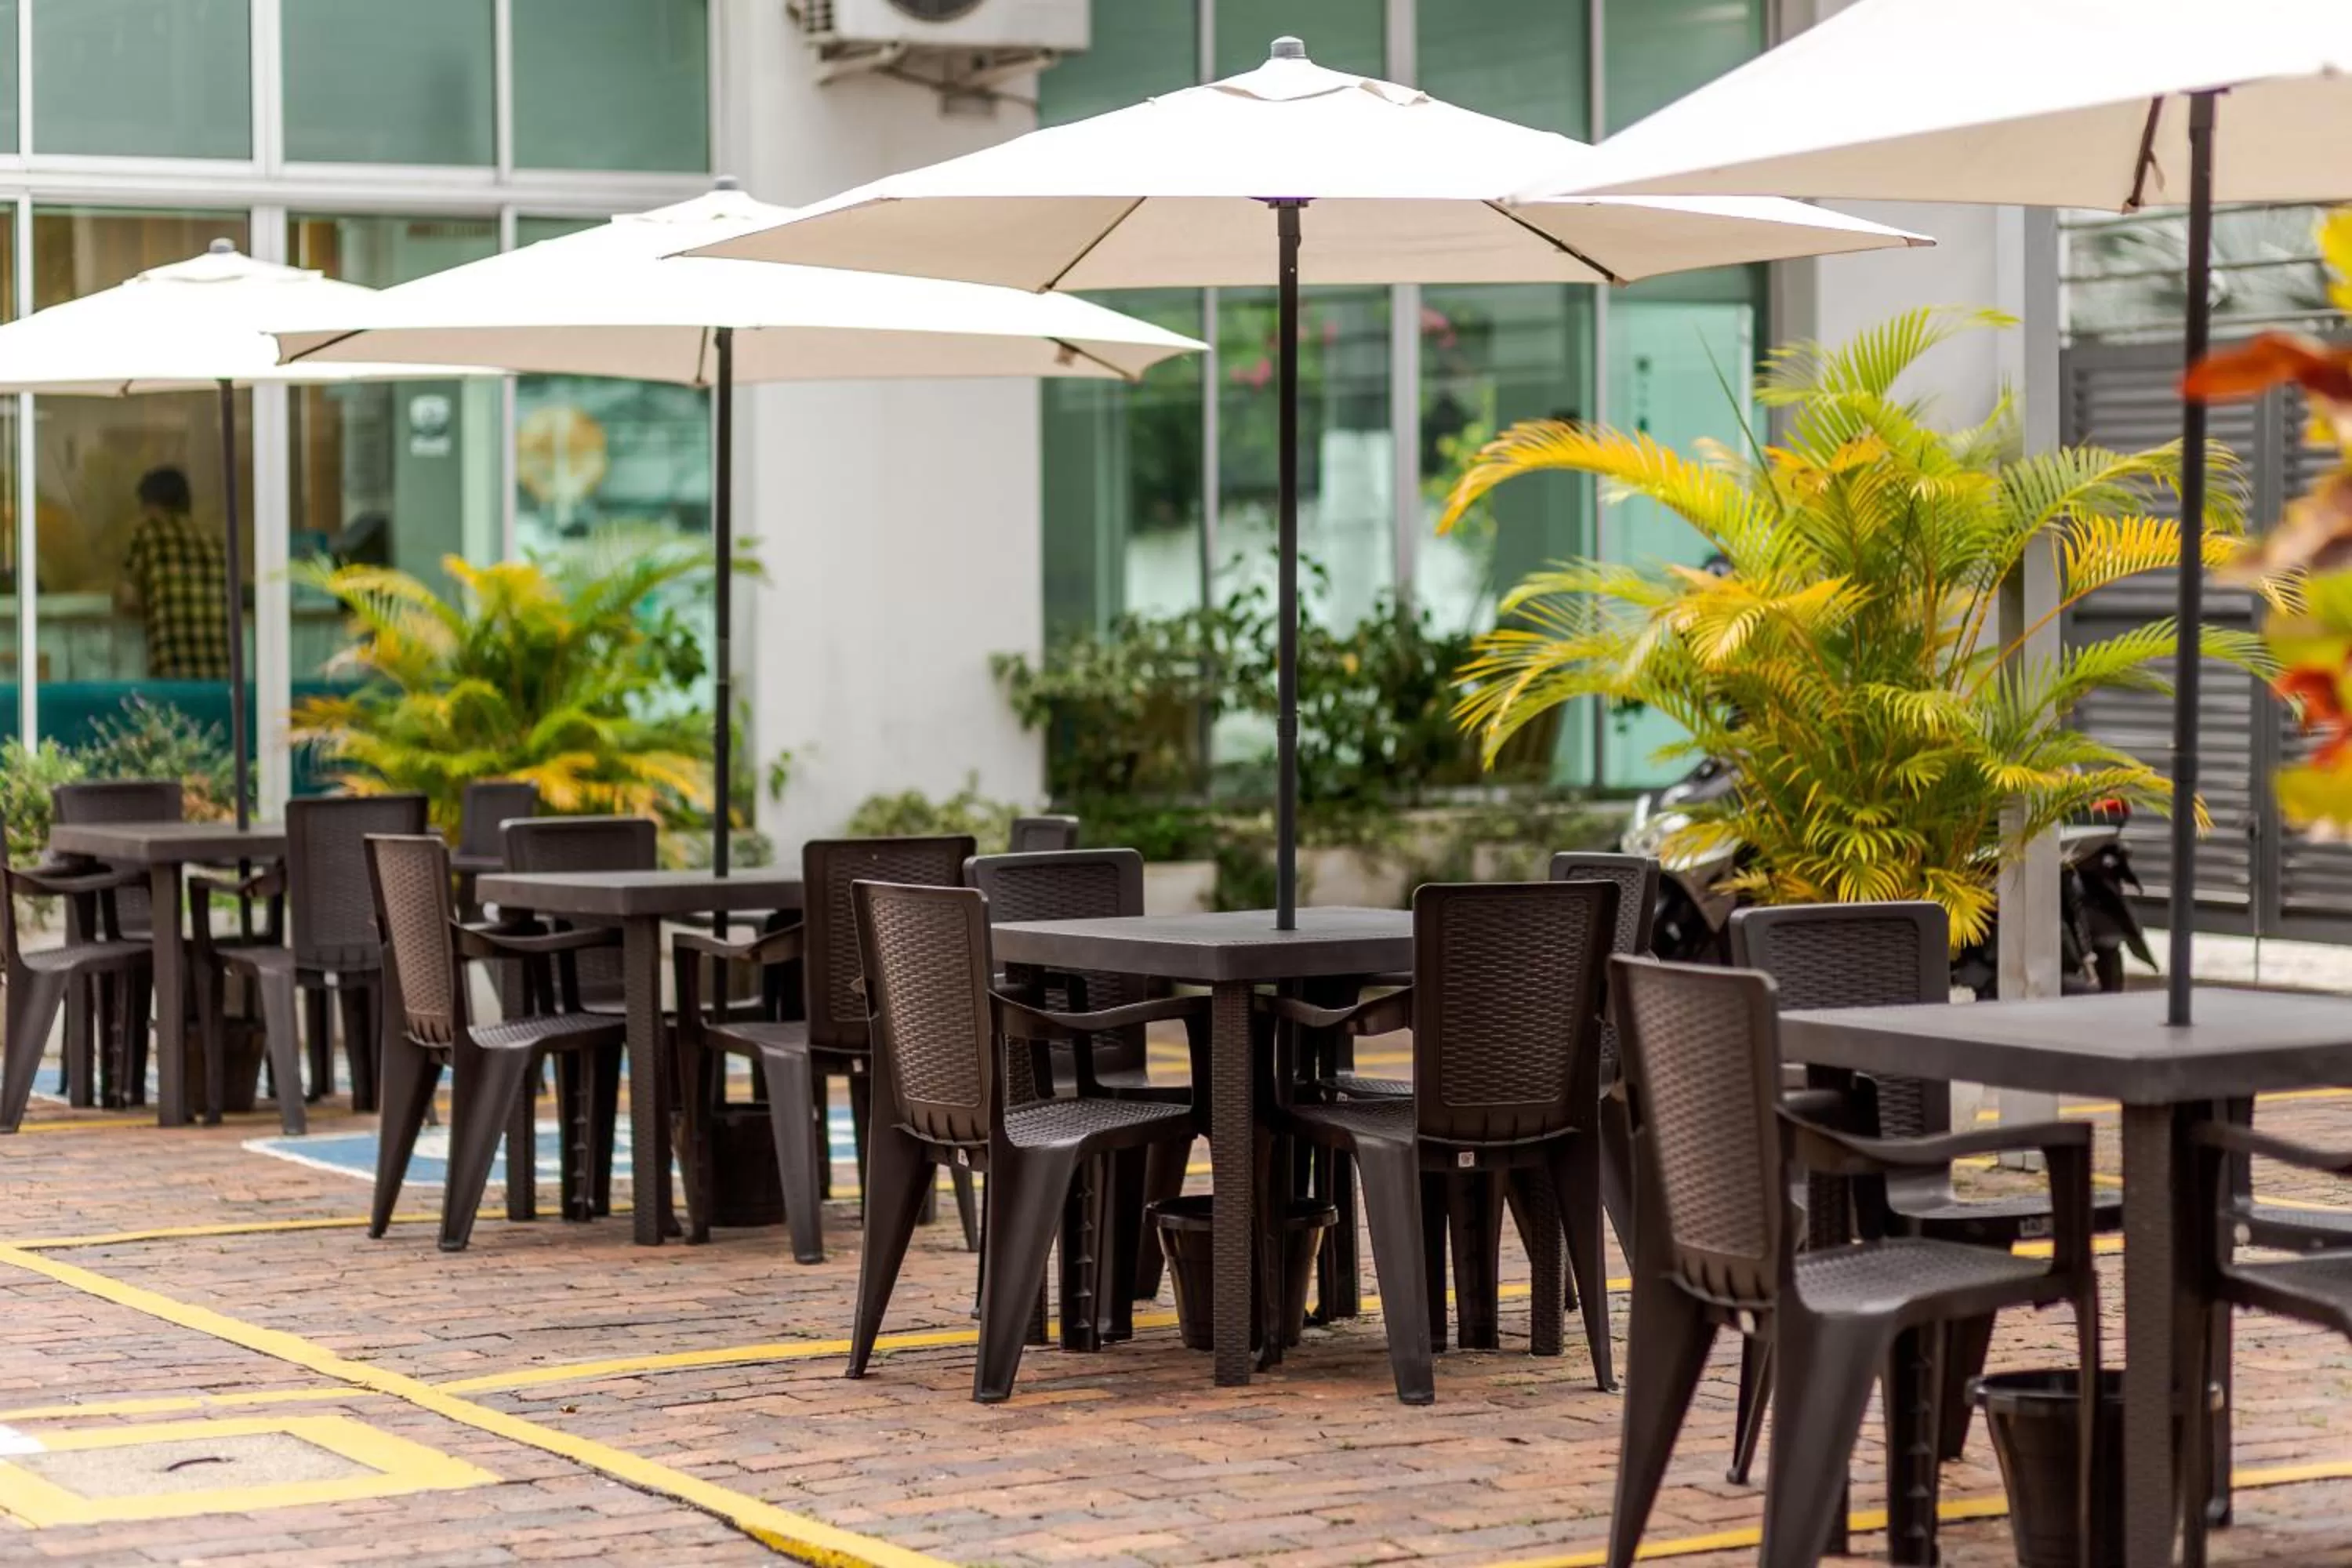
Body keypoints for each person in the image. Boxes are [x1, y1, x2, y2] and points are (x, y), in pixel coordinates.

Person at [117, 466, 230, 681]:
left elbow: (127, 600)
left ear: (150, 505)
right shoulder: (215, 541)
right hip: (221, 676)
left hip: (173, 673)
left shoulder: (148, 533)